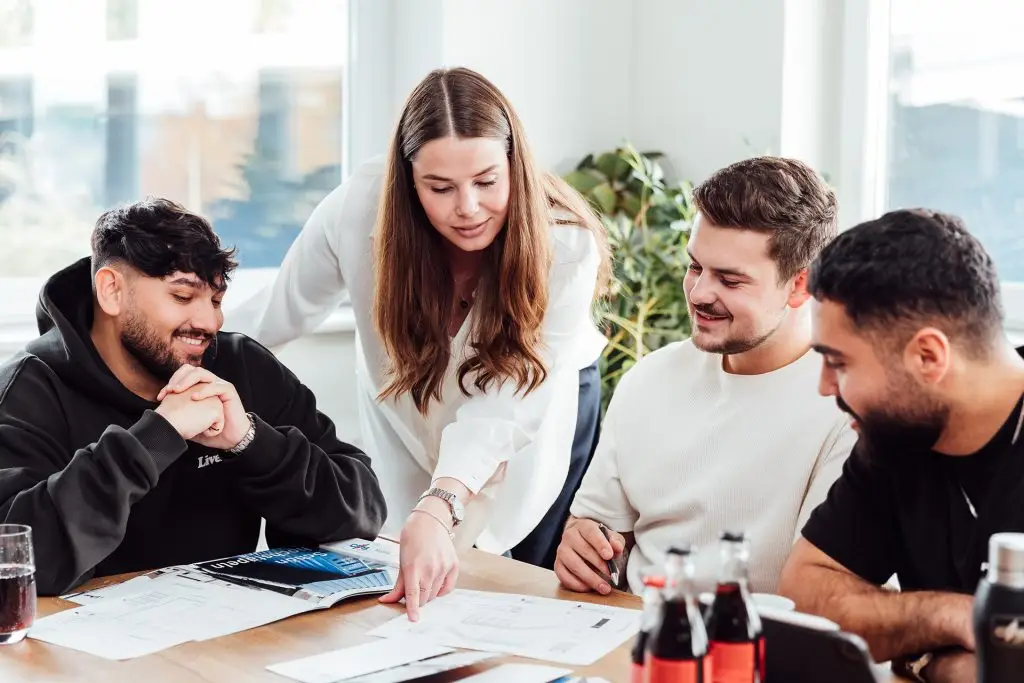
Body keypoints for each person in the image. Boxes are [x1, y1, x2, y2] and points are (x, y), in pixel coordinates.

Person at [227, 67, 610, 619]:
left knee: (516, 587)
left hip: (534, 407)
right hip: (409, 407)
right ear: (407, 181)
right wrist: (174, 357)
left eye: (486, 181)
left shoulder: (564, 242)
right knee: (405, 575)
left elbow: (506, 404)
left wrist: (443, 499)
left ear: (514, 166)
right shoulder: (358, 209)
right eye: (440, 188)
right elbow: (273, 316)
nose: (468, 208)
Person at [0, 198, 387, 596]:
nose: (209, 322)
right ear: (111, 291)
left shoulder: (243, 367)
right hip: (80, 650)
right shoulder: (29, 390)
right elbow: (18, 563)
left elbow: (363, 513)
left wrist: (253, 443)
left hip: (228, 640)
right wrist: (155, 439)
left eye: (216, 300)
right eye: (183, 297)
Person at [554, 156, 855, 597]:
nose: (698, 293)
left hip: (752, 650)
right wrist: (584, 545)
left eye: (730, 281)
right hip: (629, 638)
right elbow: (596, 528)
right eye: (695, 266)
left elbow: (820, 595)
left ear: (798, 286)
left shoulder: (845, 411)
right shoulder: (649, 379)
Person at [778, 209, 1024, 683]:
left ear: (928, 357)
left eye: (839, 362)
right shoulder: (897, 436)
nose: (825, 388)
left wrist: (919, 655)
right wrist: (951, 621)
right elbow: (804, 591)